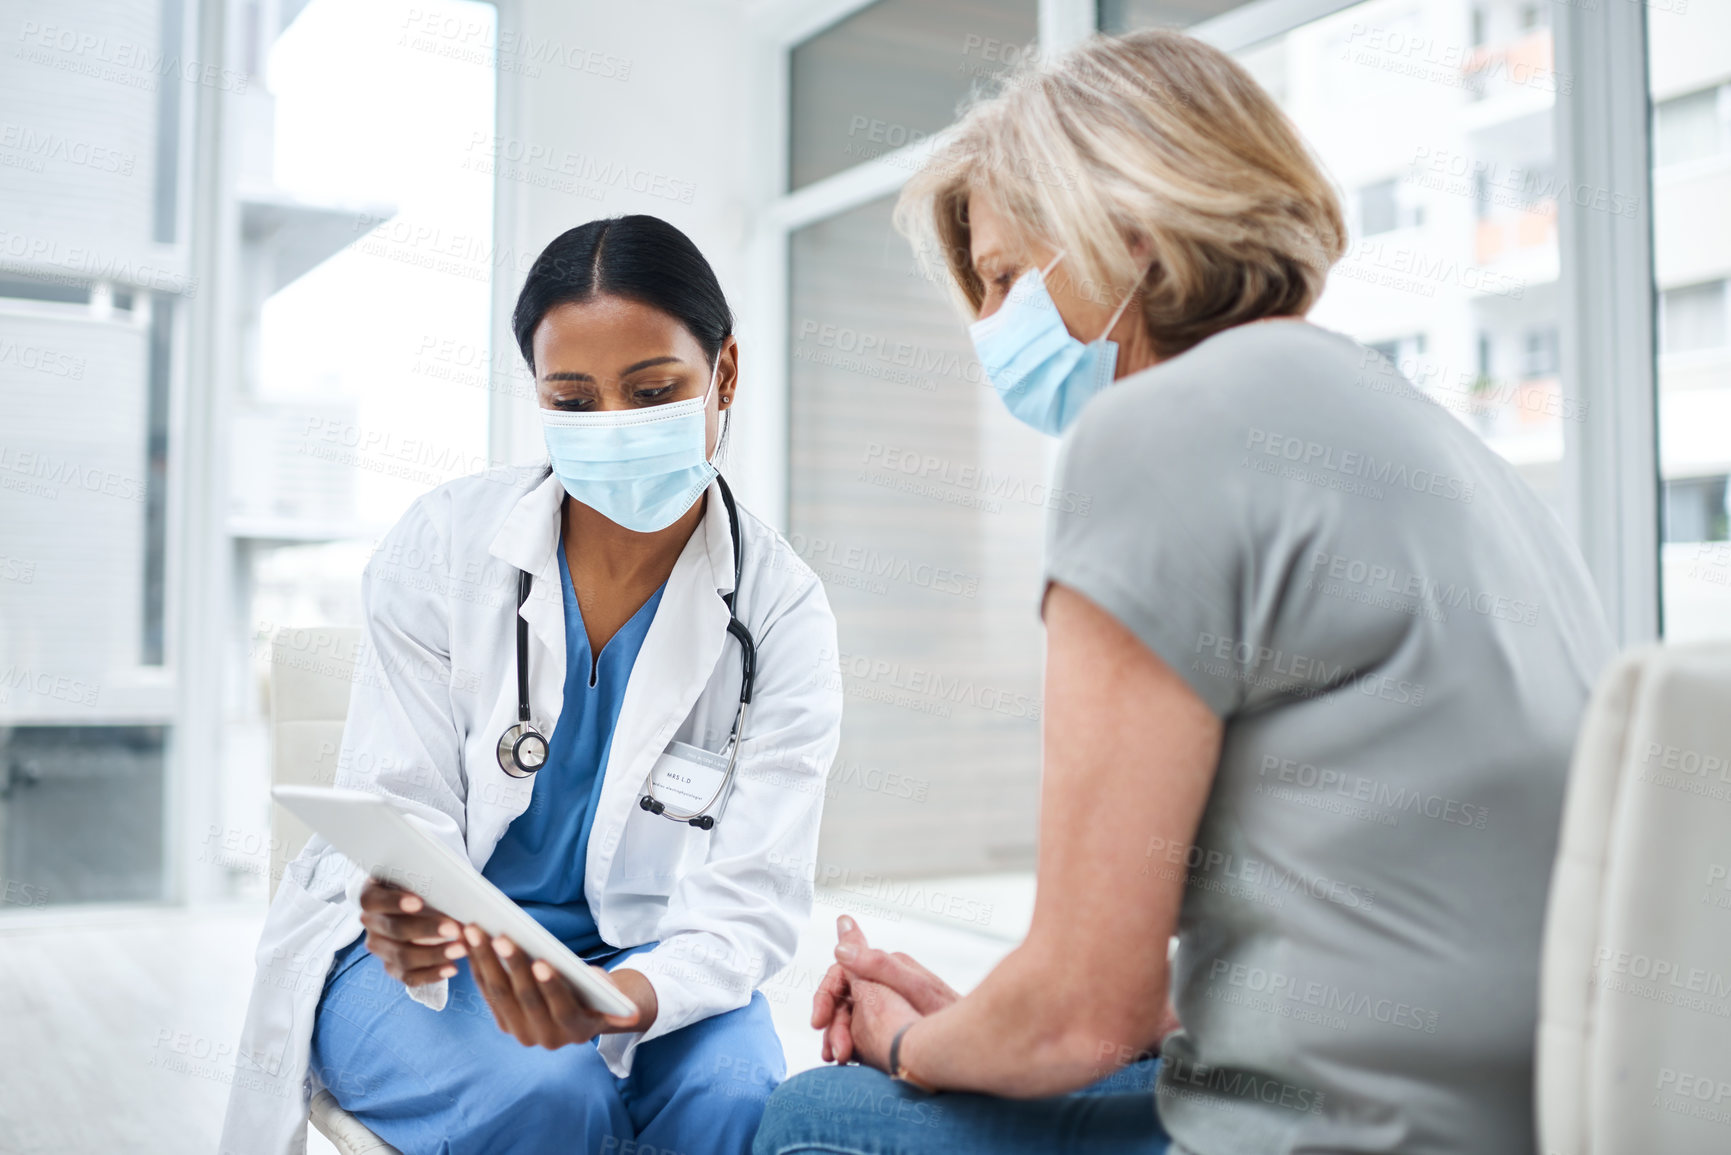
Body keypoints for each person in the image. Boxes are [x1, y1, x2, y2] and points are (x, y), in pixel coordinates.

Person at [753, 28, 1614, 1155]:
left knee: (822, 1120)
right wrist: (989, 1019)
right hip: (1528, 1109)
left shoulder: (1157, 431)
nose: (990, 326)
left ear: (1135, 233)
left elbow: (1077, 1014)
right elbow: (1322, 930)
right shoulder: (1426, 438)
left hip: (1345, 1132)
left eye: (1009, 275)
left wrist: (913, 1047)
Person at [221, 215, 843, 1155]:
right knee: (551, 1098)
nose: (615, 427)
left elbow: (753, 894)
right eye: (574, 399)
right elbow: (402, 808)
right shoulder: (444, 546)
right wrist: (410, 913)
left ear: (724, 375)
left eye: (652, 390)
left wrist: (630, 997)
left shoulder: (781, 611)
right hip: (440, 965)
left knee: (736, 1100)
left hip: (655, 953)